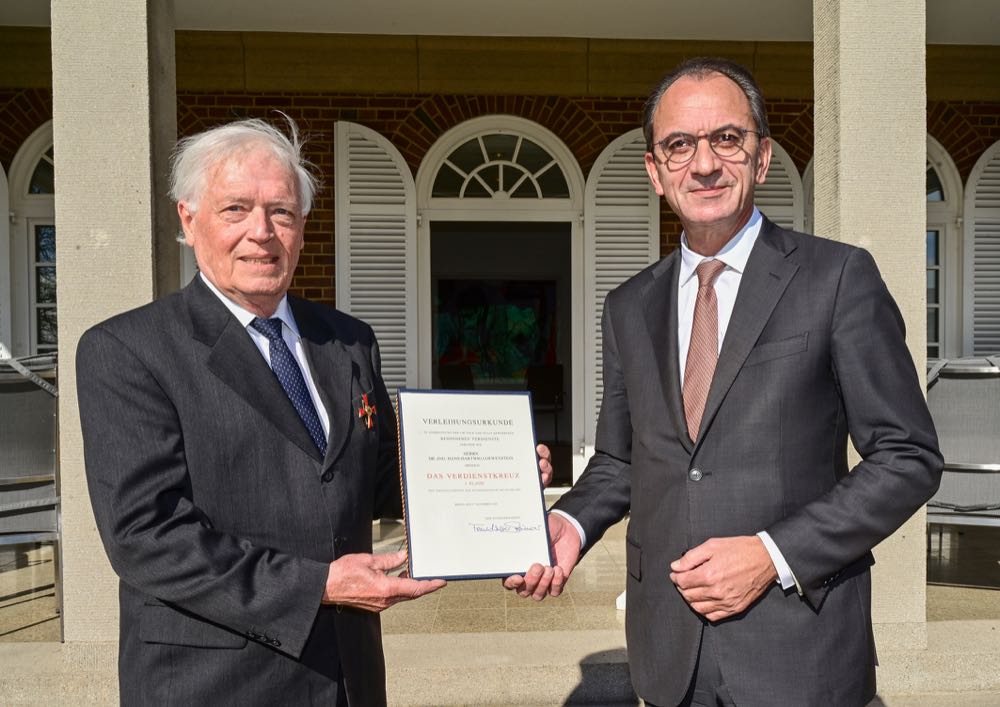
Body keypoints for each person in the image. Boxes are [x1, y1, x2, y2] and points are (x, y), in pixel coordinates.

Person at [504, 57, 943, 706]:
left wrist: (773, 552)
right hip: (669, 655)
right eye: (679, 145)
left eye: (726, 139)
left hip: (801, 654)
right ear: (655, 170)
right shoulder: (630, 305)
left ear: (762, 157)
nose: (704, 164)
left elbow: (908, 456)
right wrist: (569, 523)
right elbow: (622, 460)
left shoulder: (838, 279)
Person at [77, 117, 458, 705]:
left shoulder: (348, 340)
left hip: (348, 678)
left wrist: (474, 478)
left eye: (281, 212)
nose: (262, 232)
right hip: (216, 684)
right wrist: (319, 587)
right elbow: (146, 536)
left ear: (302, 228)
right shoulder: (128, 350)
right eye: (235, 210)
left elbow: (375, 480)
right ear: (188, 220)